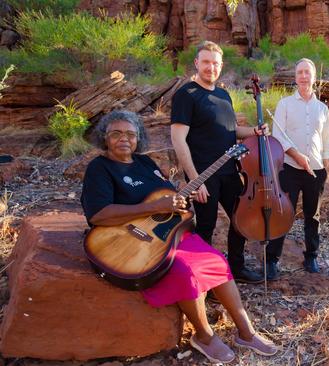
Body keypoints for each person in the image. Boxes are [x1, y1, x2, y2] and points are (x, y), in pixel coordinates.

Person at [80, 110, 278, 363]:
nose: (124, 139)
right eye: (116, 133)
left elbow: (168, 199)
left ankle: (246, 332)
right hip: (133, 240)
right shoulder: (100, 168)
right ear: (104, 138)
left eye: (131, 134)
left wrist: (183, 198)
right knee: (186, 271)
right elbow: (99, 214)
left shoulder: (145, 164)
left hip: (170, 233)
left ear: (138, 138)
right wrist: (153, 207)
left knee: (218, 260)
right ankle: (204, 335)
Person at [171, 40, 265, 284]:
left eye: (215, 63)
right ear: (196, 63)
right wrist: (195, 180)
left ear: (221, 66)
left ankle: (236, 268)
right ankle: (203, 277)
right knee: (205, 227)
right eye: (206, 62)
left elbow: (230, 131)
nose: (210, 67)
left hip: (230, 171)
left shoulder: (223, 95)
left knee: (240, 219)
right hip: (203, 175)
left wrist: (254, 131)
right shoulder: (186, 94)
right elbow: (178, 140)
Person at [264, 58, 329, 279]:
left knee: (313, 215)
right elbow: (278, 138)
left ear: (314, 78)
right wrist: (296, 156)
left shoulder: (322, 108)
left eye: (307, 72)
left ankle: (311, 256)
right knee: (284, 213)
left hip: (316, 171)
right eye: (300, 72)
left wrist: (327, 161)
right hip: (290, 169)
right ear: (295, 77)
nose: (303, 76)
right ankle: (272, 259)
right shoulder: (285, 104)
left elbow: (328, 139)